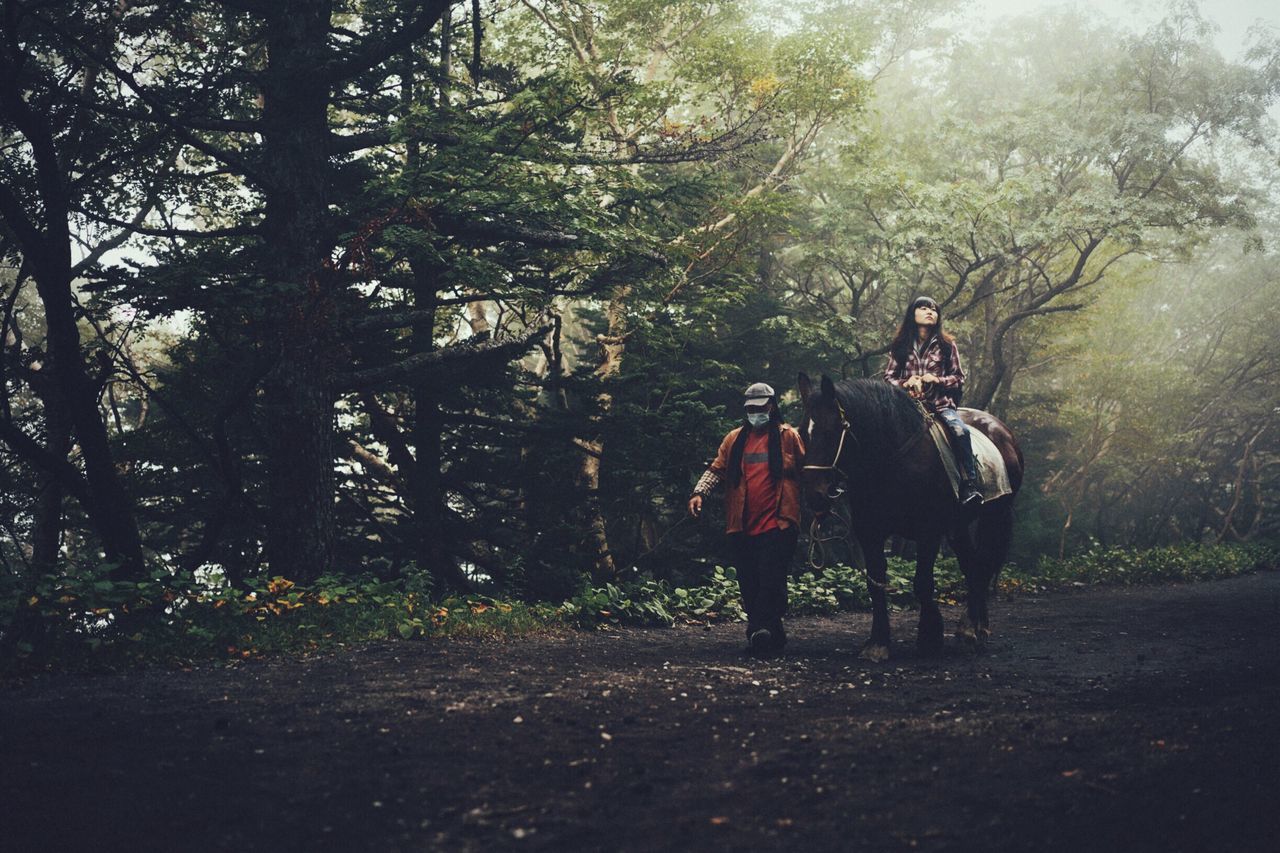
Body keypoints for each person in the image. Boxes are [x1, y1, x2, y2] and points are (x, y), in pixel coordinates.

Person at [688, 382, 806, 657]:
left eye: (761, 407)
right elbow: (716, 470)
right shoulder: (734, 439)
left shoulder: (789, 437)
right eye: (751, 408)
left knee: (771, 578)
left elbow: (808, 471)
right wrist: (698, 493)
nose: (756, 413)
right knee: (749, 580)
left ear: (772, 407)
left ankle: (757, 630)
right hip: (741, 524)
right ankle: (771, 634)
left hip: (779, 522)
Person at [883, 296, 983, 506]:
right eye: (924, 307)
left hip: (940, 406)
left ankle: (970, 484)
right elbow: (888, 379)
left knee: (960, 431)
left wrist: (937, 380)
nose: (930, 311)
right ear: (913, 314)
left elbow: (958, 378)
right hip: (905, 409)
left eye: (934, 309)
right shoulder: (900, 345)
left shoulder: (947, 346)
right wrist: (905, 383)